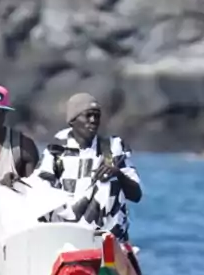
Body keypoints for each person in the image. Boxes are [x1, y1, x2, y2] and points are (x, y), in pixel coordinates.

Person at [36, 93, 143, 240]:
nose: (93, 121)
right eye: (88, 116)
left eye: (96, 116)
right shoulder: (56, 151)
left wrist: (118, 174)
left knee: (108, 182)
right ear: (73, 120)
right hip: (65, 234)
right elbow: (39, 193)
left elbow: (136, 195)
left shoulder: (112, 148)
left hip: (107, 239)